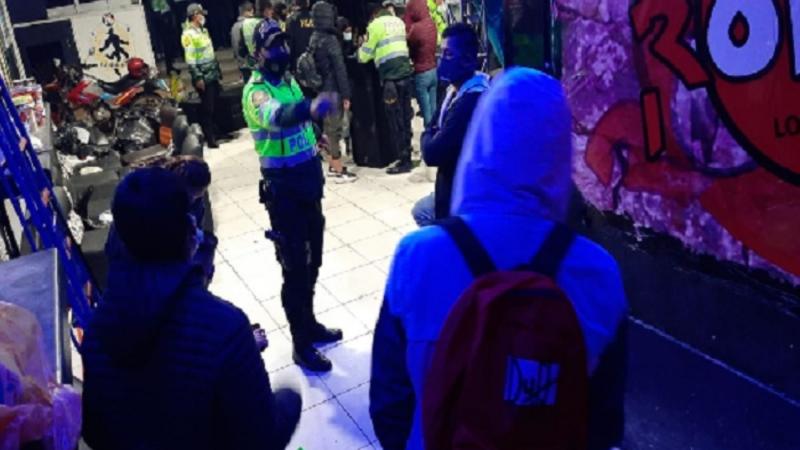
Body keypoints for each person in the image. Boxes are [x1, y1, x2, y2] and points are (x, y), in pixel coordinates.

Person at [369, 68, 628, 450]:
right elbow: (603, 427)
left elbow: (388, 408)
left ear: (481, 142)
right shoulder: (599, 274)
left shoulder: (418, 258)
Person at [82, 167, 302, 450]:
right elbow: (263, 439)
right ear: (189, 234)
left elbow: (95, 433)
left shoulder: (97, 329)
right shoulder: (225, 329)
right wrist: (289, 398)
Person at [242, 20, 343, 372]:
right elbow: (277, 116)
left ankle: (310, 323)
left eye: (283, 43)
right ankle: (301, 343)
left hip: (308, 183)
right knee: (295, 267)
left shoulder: (288, 81)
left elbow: (299, 115)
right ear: (258, 53)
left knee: (314, 261)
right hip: (283, 189)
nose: (281, 51)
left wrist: (315, 133)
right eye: (273, 45)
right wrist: (310, 109)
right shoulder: (255, 91)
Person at [411, 23, 489, 227]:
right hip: (452, 186)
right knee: (420, 209)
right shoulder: (454, 91)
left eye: (448, 54)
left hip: (462, 195)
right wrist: (432, 133)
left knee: (424, 215)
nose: (441, 60)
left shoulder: (470, 101)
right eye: (441, 53)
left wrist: (431, 134)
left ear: (468, 60)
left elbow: (432, 153)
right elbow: (431, 127)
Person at [358, 4, 415, 175]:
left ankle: (403, 160)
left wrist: (361, 47)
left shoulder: (374, 26)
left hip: (391, 79)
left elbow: (364, 56)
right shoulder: (398, 22)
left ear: (374, 14)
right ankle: (408, 154)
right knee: (406, 117)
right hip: (406, 75)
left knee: (395, 120)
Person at [310, 1, 356, 182]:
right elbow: (340, 69)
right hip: (334, 90)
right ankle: (338, 170)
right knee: (334, 131)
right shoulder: (331, 41)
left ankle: (332, 164)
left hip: (321, 90)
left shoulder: (314, 38)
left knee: (328, 128)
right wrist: (346, 94)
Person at [181, 3, 222, 148]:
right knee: (207, 108)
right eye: (201, 14)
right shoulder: (188, 34)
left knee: (216, 104)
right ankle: (209, 138)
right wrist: (198, 77)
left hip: (212, 72)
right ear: (194, 15)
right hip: (203, 75)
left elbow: (209, 52)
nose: (203, 16)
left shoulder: (203, 30)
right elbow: (191, 59)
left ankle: (218, 133)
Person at [404, 0, 438, 129]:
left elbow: (409, 46)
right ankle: (436, 133)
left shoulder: (416, 29)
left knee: (426, 113)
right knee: (434, 110)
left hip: (421, 72)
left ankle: (429, 137)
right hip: (433, 70)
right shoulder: (432, 24)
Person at [232, 2, 258, 82]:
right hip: (255, 63)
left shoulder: (235, 26)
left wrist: (240, 63)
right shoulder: (254, 23)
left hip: (245, 63)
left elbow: (235, 47)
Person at [286, 0, 315, 72]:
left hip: (297, 61)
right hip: (314, 60)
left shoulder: (291, 19)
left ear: (295, 3)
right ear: (307, 3)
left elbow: (289, 42)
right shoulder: (315, 17)